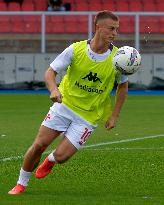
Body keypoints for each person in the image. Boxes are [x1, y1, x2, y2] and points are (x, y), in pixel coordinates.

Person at [8, 10, 128, 195]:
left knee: (62, 157)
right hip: (64, 106)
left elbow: (123, 87)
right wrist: (54, 90)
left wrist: (114, 116)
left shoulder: (118, 58)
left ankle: (51, 160)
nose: (115, 33)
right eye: (111, 29)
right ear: (98, 27)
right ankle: (21, 183)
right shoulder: (76, 49)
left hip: (88, 116)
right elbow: (50, 72)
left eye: (117, 30)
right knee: (39, 144)